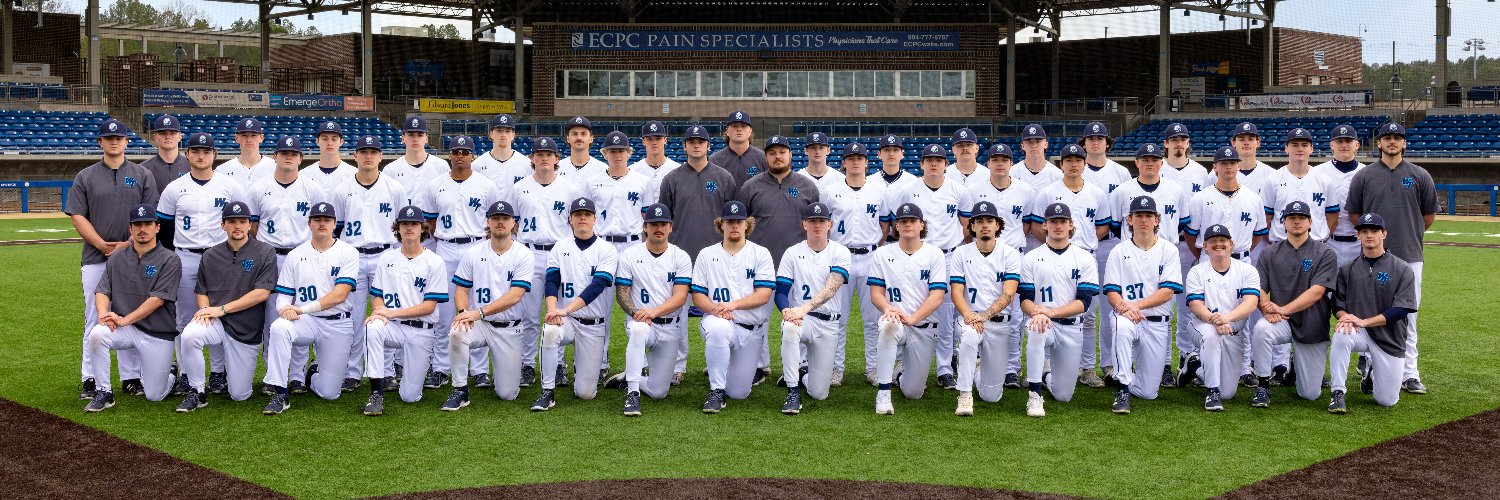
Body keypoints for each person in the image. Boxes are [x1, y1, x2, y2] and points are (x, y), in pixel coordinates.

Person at [67, 118, 159, 400]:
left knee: (129, 315)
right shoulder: (86, 176)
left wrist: (127, 245)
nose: (114, 141)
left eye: (119, 137)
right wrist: (103, 245)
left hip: (134, 257)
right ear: (100, 142)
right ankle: (90, 378)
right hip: (96, 257)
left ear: (127, 142)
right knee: (95, 317)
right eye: (109, 138)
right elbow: (78, 215)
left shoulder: (142, 175)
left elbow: (151, 215)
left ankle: (131, 377)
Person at [1343, 122, 1437, 395]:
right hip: (1373, 257)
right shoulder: (1365, 176)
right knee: (1372, 313)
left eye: (1397, 138)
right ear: (1379, 143)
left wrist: (1409, 232)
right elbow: (1355, 216)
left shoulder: (1420, 175)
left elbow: (1428, 216)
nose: (1392, 142)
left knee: (1409, 315)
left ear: (1404, 143)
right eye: (1387, 138)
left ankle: (1410, 373)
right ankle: (1372, 368)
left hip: (1409, 255)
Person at [153, 132, 248, 394]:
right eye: (195, 151)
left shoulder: (230, 186)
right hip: (186, 255)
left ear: (214, 155)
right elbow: (165, 228)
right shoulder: (175, 187)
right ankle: (186, 373)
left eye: (206, 151)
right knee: (184, 318)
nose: (201, 155)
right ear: (187, 154)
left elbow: (242, 224)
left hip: (220, 258)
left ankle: (218, 373)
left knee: (218, 314)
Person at [415, 135, 507, 390]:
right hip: (445, 247)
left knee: (478, 308)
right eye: (455, 151)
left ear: (473, 156)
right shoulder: (435, 184)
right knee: (444, 312)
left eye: (465, 152)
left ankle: (478, 370)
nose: (460, 156)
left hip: (477, 245)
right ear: (449, 155)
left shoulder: (486, 185)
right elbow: (430, 222)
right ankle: (441, 368)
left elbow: (494, 219)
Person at [245, 135, 329, 394]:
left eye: (293, 153)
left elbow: (321, 225)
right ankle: (274, 375)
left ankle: (296, 375)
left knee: (301, 312)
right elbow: (253, 226)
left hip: (303, 256)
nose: (288, 157)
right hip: (270, 256)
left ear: (301, 159)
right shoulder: (258, 188)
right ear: (275, 156)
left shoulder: (312, 188)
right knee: (274, 317)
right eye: (283, 153)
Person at [174, 201, 277, 411]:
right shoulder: (210, 255)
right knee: (190, 334)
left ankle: (230, 376)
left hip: (245, 330)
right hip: (217, 324)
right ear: (223, 226)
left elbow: (262, 293)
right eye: (231, 222)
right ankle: (197, 391)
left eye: (242, 221)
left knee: (239, 395)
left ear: (250, 225)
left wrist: (221, 309)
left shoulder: (265, 252)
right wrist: (204, 311)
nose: (237, 226)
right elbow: (202, 292)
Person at [885, 143, 972, 390]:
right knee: (907, 307)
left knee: (944, 315)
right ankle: (902, 364)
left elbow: (967, 227)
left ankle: (945, 368)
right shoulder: (908, 190)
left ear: (946, 164)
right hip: (914, 254)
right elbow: (897, 223)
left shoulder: (958, 190)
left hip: (946, 256)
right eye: (929, 160)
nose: (934, 164)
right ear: (921, 163)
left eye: (939, 160)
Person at [259, 202, 358, 414]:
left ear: (334, 224)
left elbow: (340, 295)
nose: (322, 224)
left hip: (337, 322)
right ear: (309, 223)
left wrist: (300, 310)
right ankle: (280, 392)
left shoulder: (348, 252)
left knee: (330, 393)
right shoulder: (295, 254)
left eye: (327, 220)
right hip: (307, 322)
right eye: (317, 220)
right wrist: (284, 308)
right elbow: (284, 294)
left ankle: (312, 372)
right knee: (279, 327)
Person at [1182, 146, 1269, 388]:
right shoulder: (1201, 198)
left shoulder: (1253, 198)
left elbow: (1259, 233)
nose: (1229, 166)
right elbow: (1191, 234)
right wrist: (1206, 255)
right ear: (1215, 167)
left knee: (1244, 314)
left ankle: (1243, 368)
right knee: (1205, 314)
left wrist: (1238, 253)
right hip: (1208, 259)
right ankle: (1200, 364)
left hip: (1241, 259)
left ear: (1239, 166)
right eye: (1223, 162)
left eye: (1233, 162)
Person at [83, 204, 182, 412]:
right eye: (137, 224)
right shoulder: (118, 257)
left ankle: (171, 372)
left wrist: (124, 320)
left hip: (157, 332)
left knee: (154, 395)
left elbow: (157, 299)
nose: (142, 229)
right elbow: (102, 290)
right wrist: (103, 316)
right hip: (127, 330)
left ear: (157, 227)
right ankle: (104, 392)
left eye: (148, 224)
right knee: (97, 334)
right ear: (130, 229)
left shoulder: (170, 259)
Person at [1029, 144, 1111, 389]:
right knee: (1046, 311)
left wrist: (1079, 246)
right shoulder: (1047, 193)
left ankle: (1086, 368)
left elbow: (1103, 226)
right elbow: (1036, 226)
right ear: (1061, 164)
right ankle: (1043, 365)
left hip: (1085, 256)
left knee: (1087, 316)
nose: (1073, 164)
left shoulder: (1096, 193)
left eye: (1078, 160)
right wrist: (1054, 247)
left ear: (1085, 163)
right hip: (1052, 256)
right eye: (1068, 160)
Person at [330, 135, 408, 392]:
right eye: (363, 151)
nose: (368, 156)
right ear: (355, 155)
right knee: (351, 316)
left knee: (383, 314)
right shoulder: (341, 189)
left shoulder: (394, 187)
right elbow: (335, 230)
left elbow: (403, 229)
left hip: (385, 254)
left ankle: (385, 371)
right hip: (352, 255)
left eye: (373, 152)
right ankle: (352, 371)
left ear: (380, 156)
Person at [1108, 143, 1189, 388]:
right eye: (1145, 158)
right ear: (1137, 162)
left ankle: (1163, 366)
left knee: (1164, 313)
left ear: (1161, 162)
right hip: (1129, 256)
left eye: (1154, 159)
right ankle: (1121, 372)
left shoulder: (1175, 190)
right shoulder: (1122, 192)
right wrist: (1126, 306)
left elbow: (1182, 223)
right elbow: (1114, 225)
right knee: (1120, 322)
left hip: (1163, 253)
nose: (1150, 163)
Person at [444, 201, 535, 411]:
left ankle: (503, 374)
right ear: (488, 222)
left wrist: (478, 312)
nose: (500, 222)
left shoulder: (524, 254)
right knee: (457, 331)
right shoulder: (473, 252)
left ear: (513, 223)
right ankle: (460, 390)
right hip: (482, 325)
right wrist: (462, 312)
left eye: (504, 218)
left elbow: (515, 296)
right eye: (495, 218)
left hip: (510, 327)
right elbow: (461, 289)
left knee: (507, 394)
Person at [360, 206, 451, 415]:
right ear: (398, 228)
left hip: (422, 331)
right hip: (393, 327)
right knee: (372, 326)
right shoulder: (387, 258)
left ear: (422, 229)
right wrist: (378, 311)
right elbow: (378, 295)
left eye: (414, 224)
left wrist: (391, 313)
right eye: (404, 224)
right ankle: (376, 392)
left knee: (410, 397)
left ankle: (413, 371)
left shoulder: (435, 261)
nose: (409, 228)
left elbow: (430, 307)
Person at [606, 203, 694, 416]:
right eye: (653, 224)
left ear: (670, 227)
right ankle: (632, 393)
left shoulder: (680, 256)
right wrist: (635, 313)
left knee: (658, 392)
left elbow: (681, 297)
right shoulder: (629, 254)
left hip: (669, 326)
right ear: (645, 227)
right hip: (642, 322)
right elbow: (622, 292)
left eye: (663, 224)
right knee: (638, 329)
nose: (658, 228)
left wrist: (653, 312)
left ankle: (631, 377)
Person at [532, 198, 619, 411]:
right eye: (578, 214)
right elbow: (551, 281)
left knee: (586, 394)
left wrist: (565, 309)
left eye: (587, 214)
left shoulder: (607, 250)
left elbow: (598, 285)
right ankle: (547, 391)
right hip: (567, 321)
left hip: (593, 324)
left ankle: (581, 367)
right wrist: (553, 310)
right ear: (570, 219)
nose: (582, 218)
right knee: (551, 330)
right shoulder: (559, 248)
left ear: (594, 219)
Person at [1249, 201, 1339, 407]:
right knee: (1262, 329)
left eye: (1301, 218)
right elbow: (1260, 288)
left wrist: (1282, 309)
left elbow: (1317, 292)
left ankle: (1296, 365)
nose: (1296, 222)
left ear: (1310, 222)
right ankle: (1263, 384)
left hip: (1312, 323)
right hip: (1281, 321)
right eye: (1291, 218)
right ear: (1283, 222)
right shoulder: (1269, 253)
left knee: (1310, 394)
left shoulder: (1325, 253)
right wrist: (1265, 307)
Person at [1328, 213, 1418, 413]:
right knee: (1342, 333)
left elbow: (1401, 310)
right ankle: (1337, 392)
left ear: (1384, 234)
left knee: (1386, 401)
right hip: (1359, 332)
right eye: (1364, 231)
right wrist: (1346, 318)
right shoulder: (1347, 269)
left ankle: (1371, 372)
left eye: (1375, 231)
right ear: (1357, 235)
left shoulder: (1402, 268)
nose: (1369, 235)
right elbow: (1337, 305)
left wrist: (1364, 321)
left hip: (1389, 337)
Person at [1102, 196, 1184, 414]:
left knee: (1149, 393)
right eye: (1139, 215)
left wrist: (1135, 306)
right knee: (1121, 327)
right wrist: (1126, 309)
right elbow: (1112, 293)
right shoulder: (1119, 251)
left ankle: (1125, 378)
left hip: (1156, 321)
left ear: (1157, 220)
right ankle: (1122, 389)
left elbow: (1167, 293)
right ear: (1129, 219)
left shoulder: (1169, 250)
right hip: (1126, 316)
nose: (1144, 220)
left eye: (1149, 215)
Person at [690, 201, 775, 413]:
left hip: (750, 329)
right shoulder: (706, 254)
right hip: (717, 319)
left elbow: (764, 295)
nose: (734, 225)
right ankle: (716, 391)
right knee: (719, 328)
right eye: (730, 222)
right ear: (722, 225)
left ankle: (722, 369)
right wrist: (716, 310)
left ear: (747, 224)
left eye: (739, 221)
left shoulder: (761, 253)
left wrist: (731, 305)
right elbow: (698, 295)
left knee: (738, 393)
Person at [963, 143, 1035, 389]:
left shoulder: (1025, 190)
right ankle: (975, 361)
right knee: (975, 306)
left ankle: (1012, 368)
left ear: (1011, 162)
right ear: (988, 162)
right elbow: (968, 225)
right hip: (981, 253)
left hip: (1013, 253)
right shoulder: (974, 189)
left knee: (1014, 315)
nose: (1000, 163)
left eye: (1004, 159)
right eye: (995, 159)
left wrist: (1009, 246)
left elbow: (1026, 224)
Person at [1019, 203, 1100, 418]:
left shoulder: (1084, 258)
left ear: (1071, 225)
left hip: (1072, 327)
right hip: (1043, 322)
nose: (1058, 226)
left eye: (1062, 221)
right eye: (1053, 221)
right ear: (1044, 225)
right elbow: (1025, 300)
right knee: (1036, 330)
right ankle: (1034, 395)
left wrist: (1050, 313)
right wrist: (1037, 313)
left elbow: (1084, 303)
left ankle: (1045, 375)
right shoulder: (1031, 257)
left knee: (1063, 395)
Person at [868, 203, 950, 414]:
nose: (907, 225)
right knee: (888, 326)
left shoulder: (935, 254)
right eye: (902, 221)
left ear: (921, 225)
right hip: (895, 318)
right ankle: (884, 392)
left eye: (912, 221)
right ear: (896, 226)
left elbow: (937, 295)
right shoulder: (883, 253)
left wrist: (913, 318)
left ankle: (899, 374)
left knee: (913, 393)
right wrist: (887, 308)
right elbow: (876, 293)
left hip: (923, 325)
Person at [512, 137, 580, 387]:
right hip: (529, 252)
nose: (543, 158)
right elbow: (514, 222)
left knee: (559, 312)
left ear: (556, 159)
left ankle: (558, 364)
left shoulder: (569, 188)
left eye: (548, 154)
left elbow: (576, 223)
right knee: (529, 315)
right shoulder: (519, 187)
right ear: (531, 158)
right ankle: (528, 364)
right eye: (538, 154)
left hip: (560, 253)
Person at [819, 142, 886, 386]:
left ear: (867, 162)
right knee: (838, 316)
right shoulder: (830, 190)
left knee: (872, 318)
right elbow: (824, 223)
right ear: (844, 162)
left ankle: (874, 368)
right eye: (851, 157)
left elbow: (885, 225)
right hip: (841, 256)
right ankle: (836, 369)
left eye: (860, 157)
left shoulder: (878, 191)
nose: (855, 161)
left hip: (870, 256)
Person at [774, 202, 852, 414]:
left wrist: (803, 308)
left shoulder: (841, 251)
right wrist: (787, 312)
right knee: (789, 328)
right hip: (802, 320)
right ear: (804, 224)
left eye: (821, 221)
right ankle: (792, 391)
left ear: (830, 224)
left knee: (819, 393)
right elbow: (781, 291)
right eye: (812, 221)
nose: (816, 225)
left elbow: (831, 288)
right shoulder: (792, 252)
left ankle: (803, 374)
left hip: (828, 322)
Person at [948, 201, 1022, 416]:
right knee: (970, 336)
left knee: (992, 396)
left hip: (999, 323)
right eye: (979, 221)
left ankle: (977, 370)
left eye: (989, 220)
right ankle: (964, 395)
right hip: (970, 319)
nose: (984, 225)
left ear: (998, 225)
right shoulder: (961, 253)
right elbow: (956, 292)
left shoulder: (1010, 254)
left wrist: (984, 315)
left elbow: (1009, 293)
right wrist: (971, 316)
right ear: (972, 226)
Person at [1184, 224, 1261, 411]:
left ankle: (1195, 366)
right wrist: (1213, 320)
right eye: (1213, 241)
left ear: (1231, 244)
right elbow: (1195, 305)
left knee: (1228, 392)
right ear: (1205, 246)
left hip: (1233, 330)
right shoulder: (1197, 271)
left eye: (1223, 241)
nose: (1218, 244)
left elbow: (1250, 303)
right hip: (1202, 325)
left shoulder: (1247, 270)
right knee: (1211, 336)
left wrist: (1225, 319)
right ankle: (1212, 392)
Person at [1078, 122, 1132, 383]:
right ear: (1084, 143)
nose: (1095, 142)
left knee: (1114, 307)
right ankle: (1084, 366)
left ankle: (1111, 365)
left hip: (1112, 243)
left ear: (1108, 143)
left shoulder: (1120, 173)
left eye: (1100, 138)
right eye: (1091, 138)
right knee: (1085, 308)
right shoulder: (1075, 168)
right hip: (1081, 248)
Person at [659, 125, 741, 259]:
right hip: (679, 253)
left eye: (701, 142)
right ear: (684, 146)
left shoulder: (724, 178)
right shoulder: (671, 179)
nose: (696, 146)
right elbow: (663, 220)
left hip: (718, 254)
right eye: (691, 142)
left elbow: (732, 220)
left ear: (708, 146)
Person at [1264, 128, 1340, 245]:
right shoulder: (1273, 179)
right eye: (1295, 145)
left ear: (1311, 149)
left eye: (1304, 145)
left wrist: (1321, 240)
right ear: (1286, 148)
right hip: (1281, 244)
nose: (1300, 149)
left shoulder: (1324, 180)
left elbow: (1333, 217)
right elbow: (1266, 218)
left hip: (1315, 244)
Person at [585, 131, 652, 252]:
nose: (617, 155)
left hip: (633, 244)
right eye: (613, 151)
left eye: (621, 151)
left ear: (628, 153)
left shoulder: (643, 181)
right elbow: (586, 215)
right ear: (605, 154)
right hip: (601, 244)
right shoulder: (592, 182)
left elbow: (647, 217)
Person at [1313, 124, 1366, 266]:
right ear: (1332, 145)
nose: (1344, 145)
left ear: (1357, 145)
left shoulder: (1367, 173)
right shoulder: (1317, 173)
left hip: (1359, 243)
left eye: (1348, 141)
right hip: (1328, 242)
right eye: (1339, 141)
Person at [383, 115, 450, 194]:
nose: (415, 139)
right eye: (411, 135)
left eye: (420, 135)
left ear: (426, 138)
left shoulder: (441, 166)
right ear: (403, 138)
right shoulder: (390, 170)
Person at [630, 120, 681, 205]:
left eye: (658, 138)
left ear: (665, 140)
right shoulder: (633, 171)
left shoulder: (677, 170)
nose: (654, 142)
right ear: (643, 141)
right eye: (649, 139)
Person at [712, 110, 768, 187]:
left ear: (750, 131)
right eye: (735, 126)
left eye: (743, 126)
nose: (739, 129)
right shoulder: (715, 160)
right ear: (727, 131)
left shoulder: (763, 158)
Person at [140, 114, 189, 199]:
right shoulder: (143, 169)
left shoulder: (191, 166)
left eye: (172, 133)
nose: (168, 137)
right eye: (163, 133)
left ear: (180, 137)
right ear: (155, 137)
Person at [217, 117, 274, 186]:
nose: (249, 140)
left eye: (253, 135)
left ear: (261, 138)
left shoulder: (275, 167)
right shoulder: (223, 170)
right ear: (236, 138)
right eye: (244, 135)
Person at [473, 114, 525, 186]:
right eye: (499, 131)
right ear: (491, 134)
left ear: (513, 135)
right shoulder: (477, 165)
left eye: (507, 131)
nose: (503, 134)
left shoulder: (526, 164)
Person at [300, 120, 356, 188]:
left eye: (334, 139)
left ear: (341, 142)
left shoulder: (354, 174)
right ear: (317, 141)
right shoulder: (304, 175)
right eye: (325, 139)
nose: (329, 143)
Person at [1159, 122, 1211, 195]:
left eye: (1183, 140)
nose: (1179, 143)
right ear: (1166, 143)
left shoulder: (1200, 171)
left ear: (1187, 143)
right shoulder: (1156, 170)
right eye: (1174, 140)